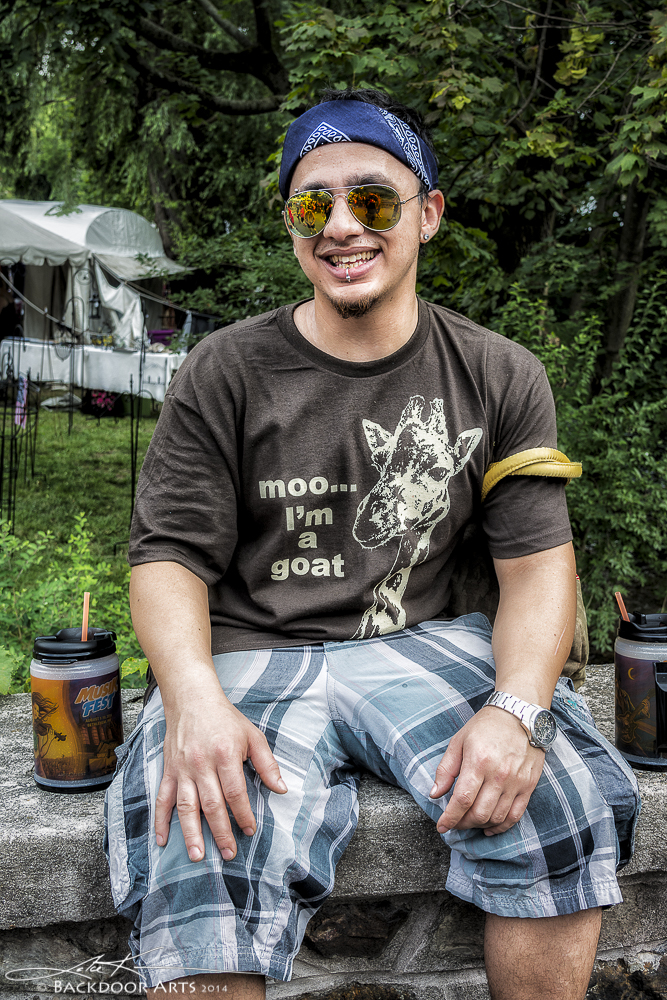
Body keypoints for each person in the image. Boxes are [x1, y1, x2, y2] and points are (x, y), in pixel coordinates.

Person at [105, 89, 640, 1000]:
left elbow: (539, 573)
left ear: (427, 215)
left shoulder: (498, 373)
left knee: (552, 802)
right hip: (247, 652)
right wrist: (191, 700)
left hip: (421, 643)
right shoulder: (224, 369)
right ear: (291, 226)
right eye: (312, 205)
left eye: (373, 200)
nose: (341, 226)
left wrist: (517, 713)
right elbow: (166, 558)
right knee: (201, 843)